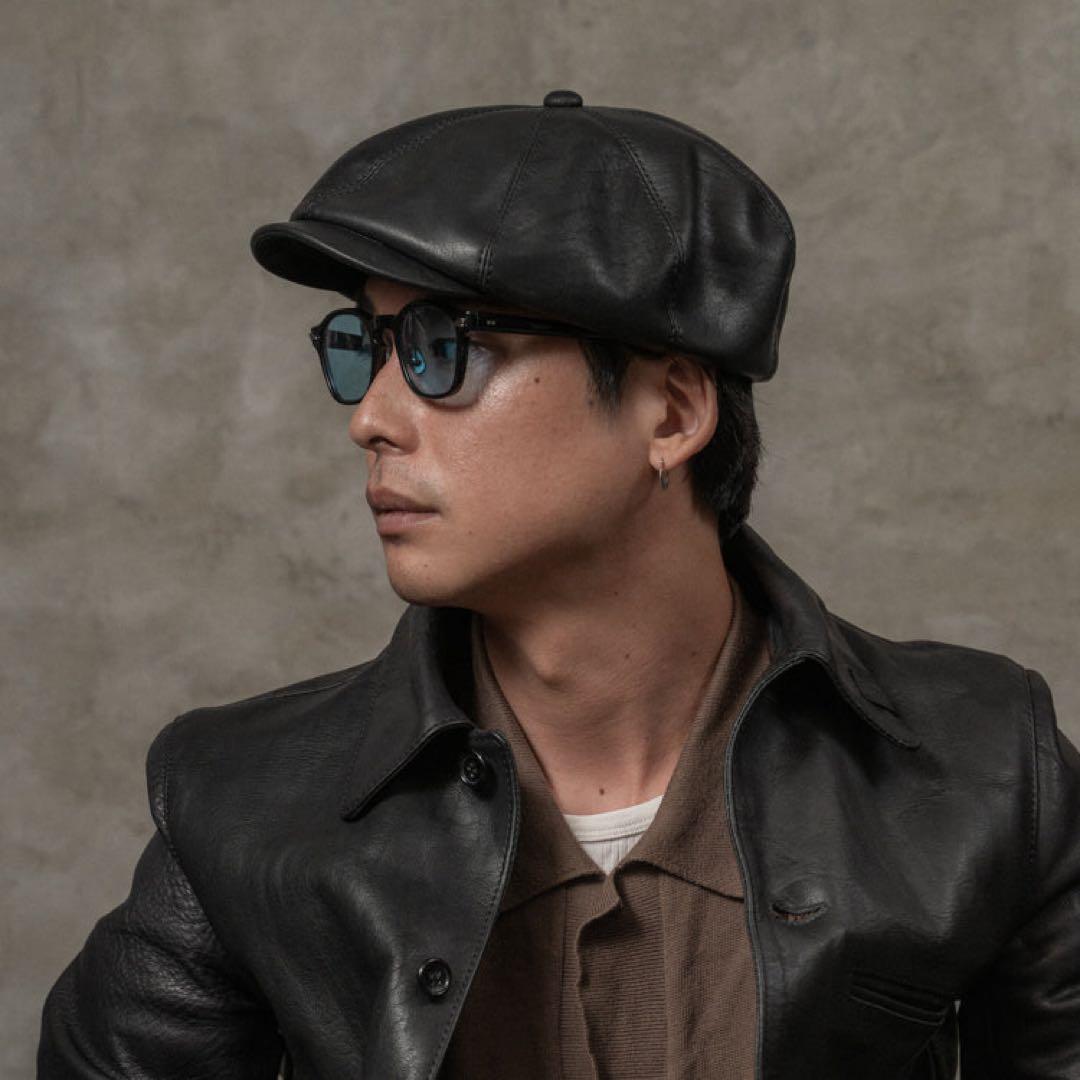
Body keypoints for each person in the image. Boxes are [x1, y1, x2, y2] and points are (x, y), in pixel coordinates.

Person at [38, 90, 1080, 1080]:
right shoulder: (244, 807)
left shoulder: (984, 774)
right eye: (369, 348)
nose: (371, 418)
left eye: (442, 346)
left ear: (672, 413)